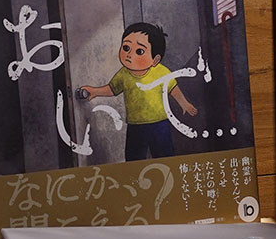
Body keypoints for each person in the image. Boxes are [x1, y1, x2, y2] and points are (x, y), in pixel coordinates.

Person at [78, 21, 197, 161]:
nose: (129, 55)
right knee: (134, 159)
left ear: (155, 59)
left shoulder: (161, 72)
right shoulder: (123, 74)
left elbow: (173, 88)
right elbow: (112, 89)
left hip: (159, 123)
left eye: (139, 51)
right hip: (135, 125)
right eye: (126, 48)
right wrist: (95, 91)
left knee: (164, 157)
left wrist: (184, 103)